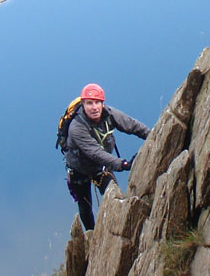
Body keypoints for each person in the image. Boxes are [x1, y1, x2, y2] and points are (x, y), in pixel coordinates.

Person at [64, 83, 150, 230]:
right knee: (85, 206)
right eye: (89, 103)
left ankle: (119, 228)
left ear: (102, 103)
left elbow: (131, 125)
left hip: (100, 168)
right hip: (79, 170)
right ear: (83, 104)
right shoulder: (76, 128)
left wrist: (152, 135)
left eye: (97, 102)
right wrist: (121, 163)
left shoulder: (109, 114)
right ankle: (91, 236)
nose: (94, 107)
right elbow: (94, 152)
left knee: (114, 195)